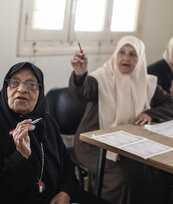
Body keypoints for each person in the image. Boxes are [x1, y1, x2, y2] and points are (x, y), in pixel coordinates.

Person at [69, 36, 173, 204]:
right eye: (121, 52)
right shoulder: (100, 78)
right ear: (115, 54)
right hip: (93, 145)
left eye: (132, 54)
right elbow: (82, 93)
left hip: (129, 144)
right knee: (120, 180)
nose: (126, 58)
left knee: (153, 176)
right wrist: (80, 74)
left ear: (141, 58)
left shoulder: (147, 83)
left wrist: (150, 114)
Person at [0, 62, 109, 204]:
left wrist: (66, 192)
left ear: (40, 92)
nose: (22, 89)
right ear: (5, 87)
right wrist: (21, 156)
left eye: (31, 84)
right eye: (14, 82)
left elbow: (67, 165)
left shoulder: (47, 122)